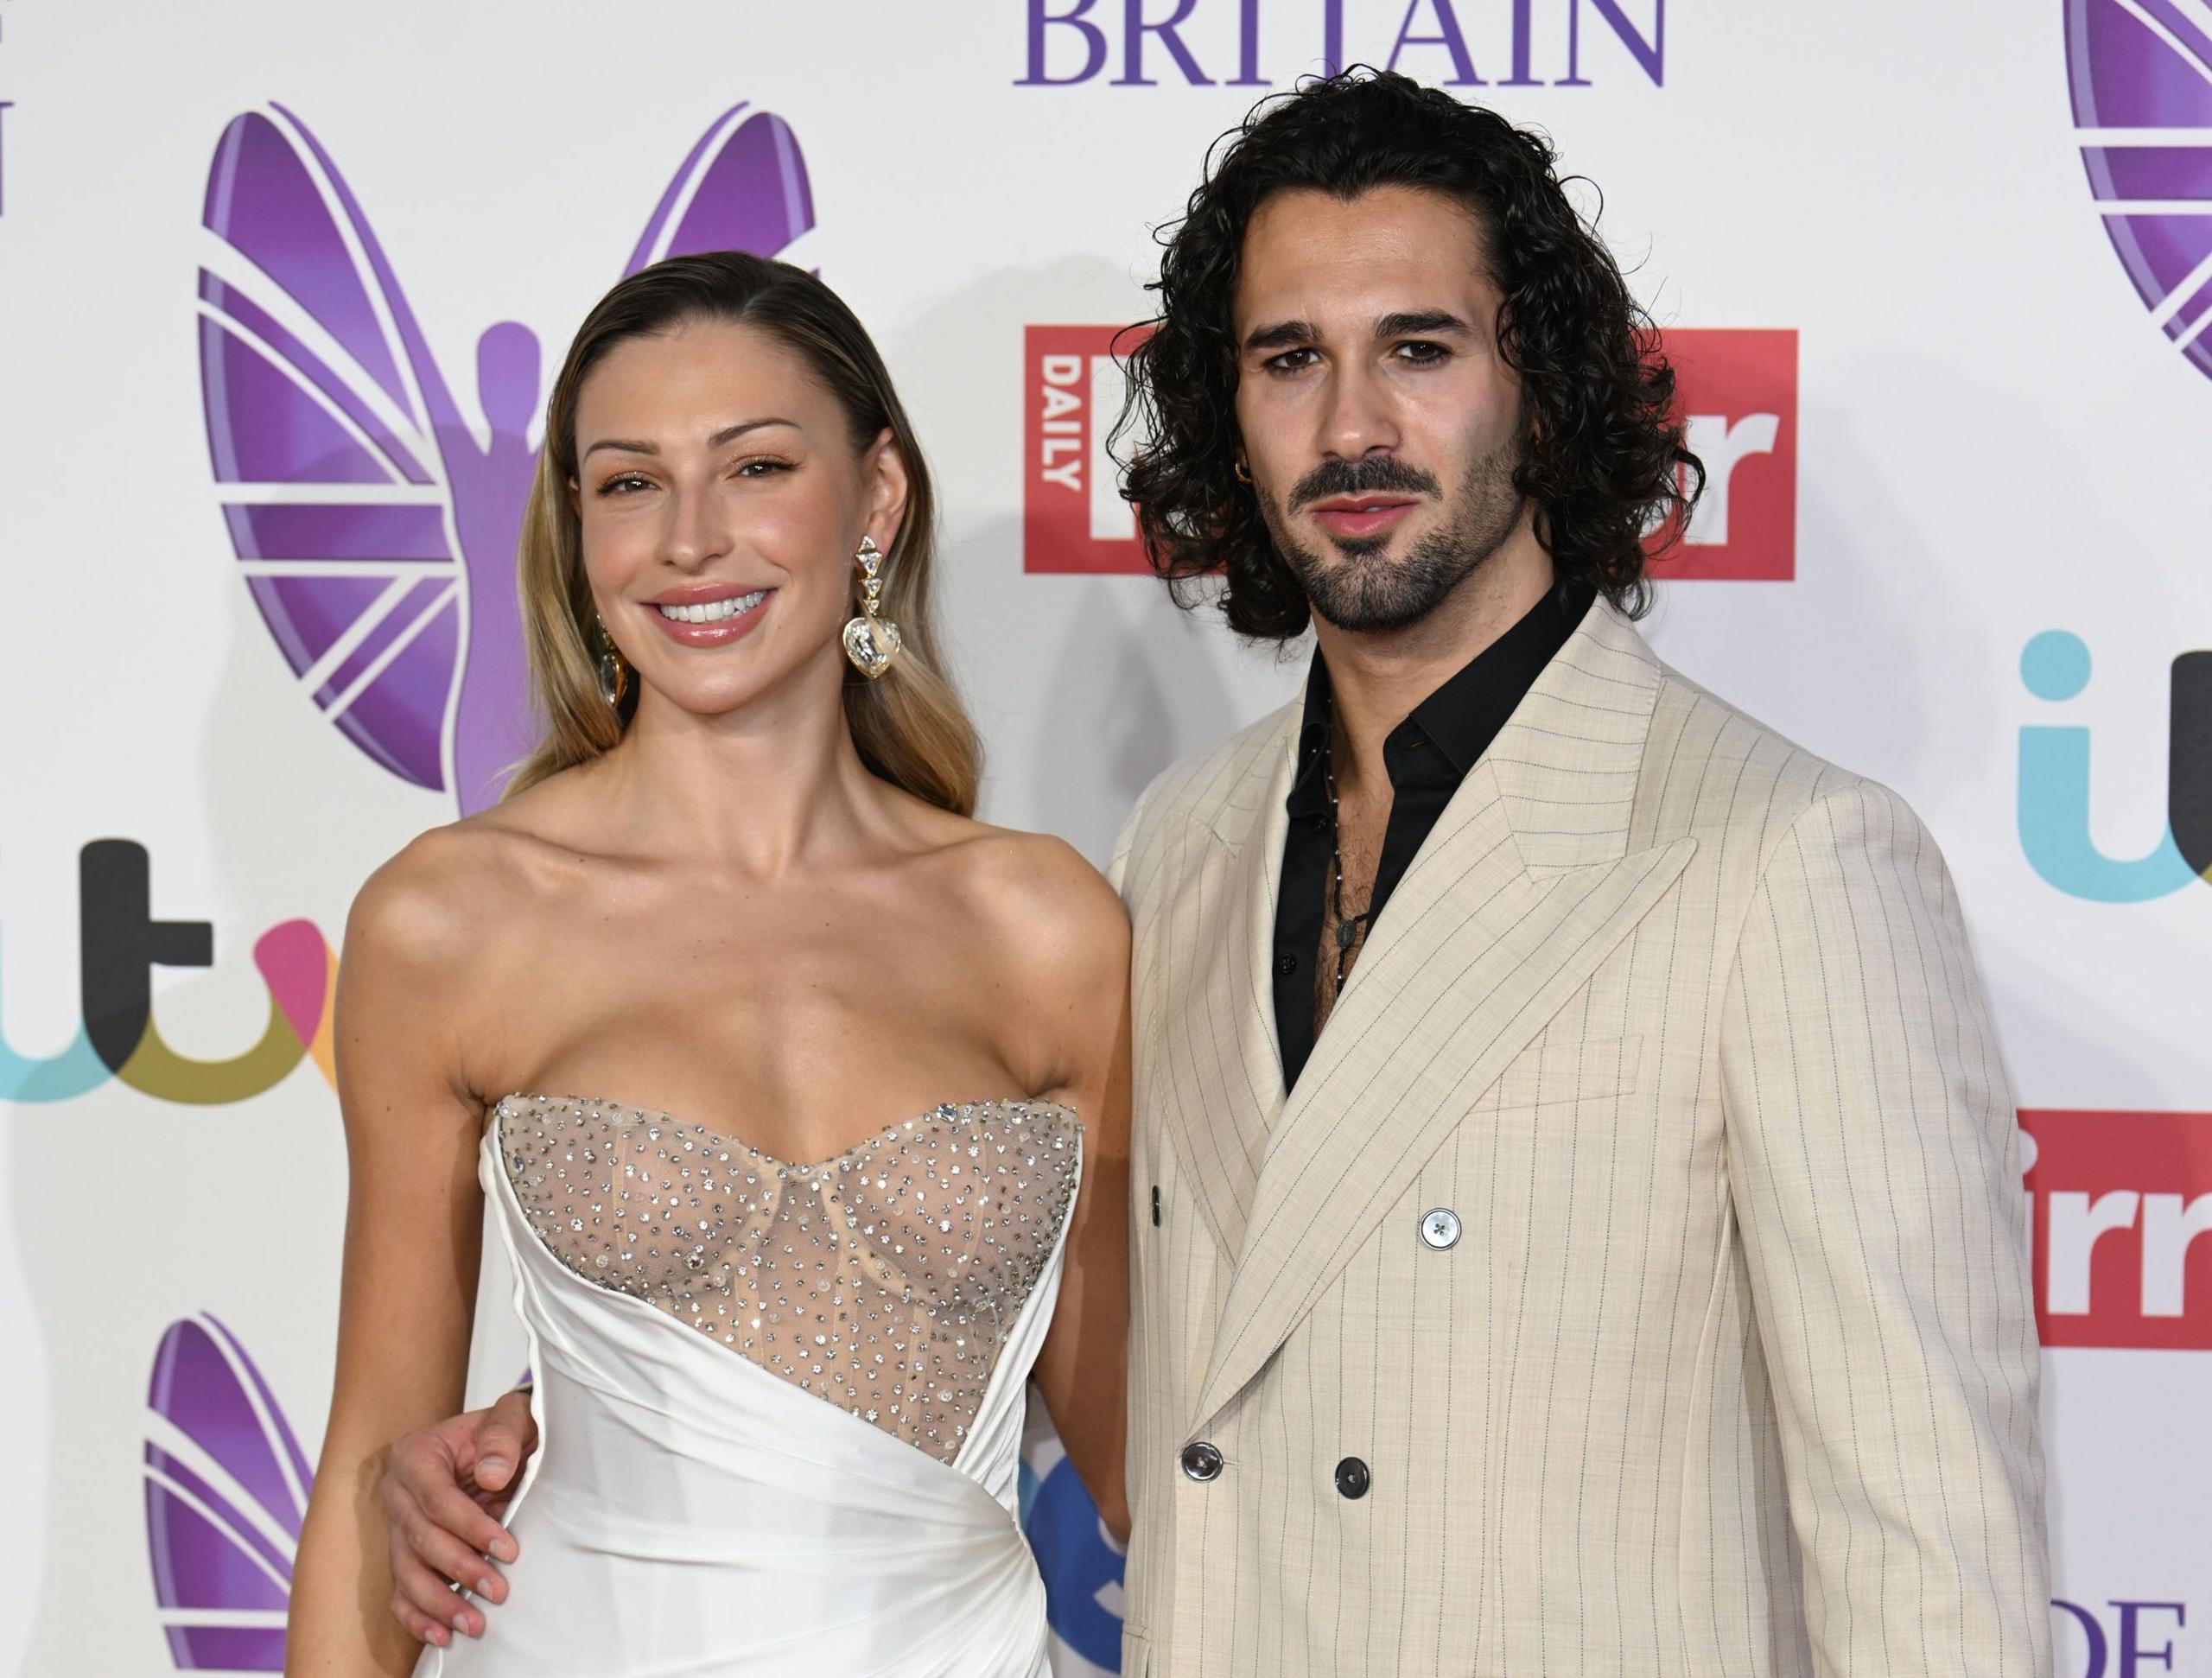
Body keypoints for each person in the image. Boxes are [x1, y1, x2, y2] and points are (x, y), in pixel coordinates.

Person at [378, 70, 2050, 1677]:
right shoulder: (1182, 848)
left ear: (1538, 377)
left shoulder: (1788, 859)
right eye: (1285, 360)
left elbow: (1935, 1562)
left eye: (1419, 348)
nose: (1351, 424)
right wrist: (611, 1445)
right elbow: (1148, 1398)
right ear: (1225, 416)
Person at [284, 251, 1132, 1678]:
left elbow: (1147, 1464)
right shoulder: (451, 920)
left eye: (754, 468)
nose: (689, 539)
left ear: (875, 497)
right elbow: (376, 1451)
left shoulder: (1043, 924)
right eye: (628, 483)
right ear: (577, 529)